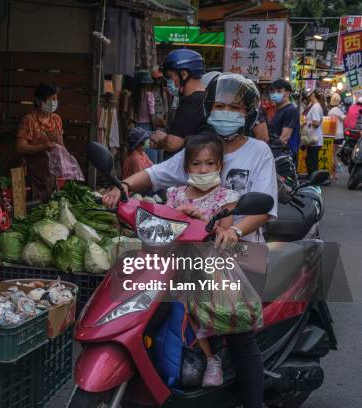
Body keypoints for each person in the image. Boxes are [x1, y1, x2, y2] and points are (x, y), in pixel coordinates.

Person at [104, 73, 277, 408]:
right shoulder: (199, 148)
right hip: (192, 252)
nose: (225, 112)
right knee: (154, 307)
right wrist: (122, 188)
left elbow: (265, 208)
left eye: (233, 107)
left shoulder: (259, 152)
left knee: (237, 333)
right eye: (219, 106)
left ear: (248, 113)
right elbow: (155, 174)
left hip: (241, 252)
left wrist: (234, 230)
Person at [164, 134, 239, 387]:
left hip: (208, 266)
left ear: (219, 166)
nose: (203, 169)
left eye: (210, 163)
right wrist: (175, 215)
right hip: (172, 264)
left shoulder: (227, 198)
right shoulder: (174, 195)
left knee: (186, 299)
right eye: (196, 164)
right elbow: (164, 229)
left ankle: (211, 358)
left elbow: (224, 237)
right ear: (187, 167)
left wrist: (199, 222)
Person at [150, 49, 207, 155]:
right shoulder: (205, 96)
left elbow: (173, 143)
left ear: (184, 74)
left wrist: (161, 139)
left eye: (169, 76)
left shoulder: (192, 102)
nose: (168, 82)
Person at [16, 83, 64, 202]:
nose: (54, 102)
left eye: (55, 98)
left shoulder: (56, 119)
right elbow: (20, 147)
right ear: (38, 101)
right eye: (50, 99)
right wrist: (43, 146)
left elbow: (61, 144)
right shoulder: (29, 120)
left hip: (52, 176)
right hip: (33, 176)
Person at [269, 79, 300, 160]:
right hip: (277, 154)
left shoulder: (290, 110)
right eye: (273, 91)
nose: (275, 94)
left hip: (285, 156)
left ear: (287, 93)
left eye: (279, 91)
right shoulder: (279, 110)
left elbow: (284, 138)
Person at [133, 69, 158, 162]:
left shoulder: (134, 96)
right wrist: (154, 128)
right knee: (149, 153)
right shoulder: (149, 95)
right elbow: (152, 114)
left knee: (139, 152)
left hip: (137, 127)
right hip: (147, 126)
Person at [302, 89, 324, 176]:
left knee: (312, 163)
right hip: (313, 139)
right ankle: (312, 180)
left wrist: (307, 123)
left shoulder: (315, 107)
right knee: (310, 161)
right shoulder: (315, 106)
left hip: (314, 139)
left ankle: (314, 182)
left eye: (310, 95)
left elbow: (316, 123)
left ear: (313, 96)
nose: (309, 96)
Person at [328, 93, 345, 180]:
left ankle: (333, 173)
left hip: (333, 135)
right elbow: (344, 119)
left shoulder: (331, 111)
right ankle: (334, 173)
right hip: (340, 135)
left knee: (332, 155)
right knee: (334, 155)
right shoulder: (339, 110)